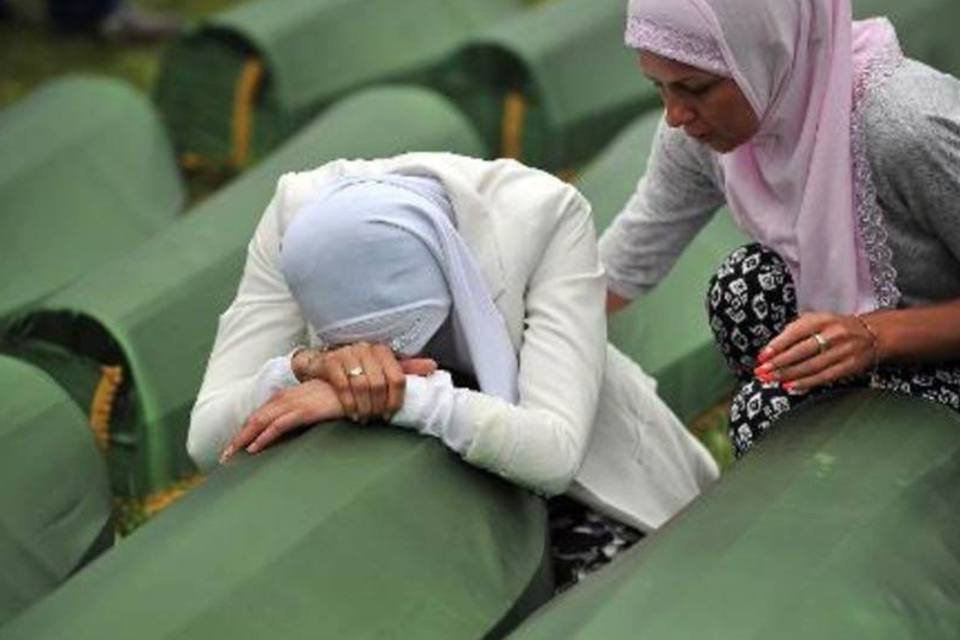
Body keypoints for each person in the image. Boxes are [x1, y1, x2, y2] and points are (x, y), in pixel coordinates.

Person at [187, 154, 719, 590]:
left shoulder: (543, 216)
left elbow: (553, 453)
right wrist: (303, 370)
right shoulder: (296, 224)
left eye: (407, 344)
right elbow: (207, 439)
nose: (380, 368)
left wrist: (401, 396)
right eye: (360, 354)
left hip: (581, 488)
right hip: (400, 495)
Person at [600, 0, 960, 457]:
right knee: (746, 291)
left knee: (768, 414)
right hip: (869, 340)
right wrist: (528, 329)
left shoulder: (904, 128)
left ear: (771, 51)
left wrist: (876, 335)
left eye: (696, 88)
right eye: (660, 88)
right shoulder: (702, 133)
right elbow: (632, 251)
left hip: (940, 350)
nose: (675, 115)